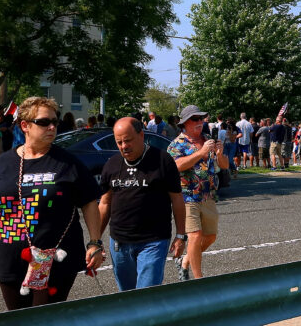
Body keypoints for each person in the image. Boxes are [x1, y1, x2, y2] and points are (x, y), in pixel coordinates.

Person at [0, 96, 105, 310]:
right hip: (11, 259)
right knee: (17, 318)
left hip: (56, 259)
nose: (52, 127)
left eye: (55, 122)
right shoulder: (2, 164)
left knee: (44, 319)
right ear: (25, 126)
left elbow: (89, 203)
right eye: (44, 122)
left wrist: (94, 243)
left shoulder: (68, 163)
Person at [97, 118, 184, 290]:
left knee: (146, 295)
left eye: (128, 140)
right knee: (127, 295)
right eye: (119, 142)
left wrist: (181, 235)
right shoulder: (112, 164)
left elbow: (177, 199)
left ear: (141, 135)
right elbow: (105, 203)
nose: (124, 146)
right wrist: (95, 240)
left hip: (154, 241)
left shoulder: (163, 160)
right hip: (119, 242)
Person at [169, 105, 229, 280]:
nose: (200, 122)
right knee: (195, 236)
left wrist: (219, 154)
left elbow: (224, 165)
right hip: (187, 196)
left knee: (210, 237)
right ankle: (198, 280)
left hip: (208, 196)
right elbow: (176, 166)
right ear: (185, 123)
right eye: (195, 119)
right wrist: (201, 152)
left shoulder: (208, 139)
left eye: (201, 119)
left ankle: (185, 261)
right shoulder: (177, 144)